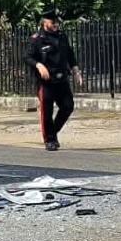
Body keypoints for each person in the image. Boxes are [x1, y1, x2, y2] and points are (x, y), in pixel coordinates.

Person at [23, 10, 83, 151]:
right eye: (53, 22)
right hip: (45, 81)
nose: (56, 24)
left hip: (61, 78)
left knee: (68, 106)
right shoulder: (37, 39)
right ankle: (50, 140)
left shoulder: (62, 36)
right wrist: (38, 65)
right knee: (47, 111)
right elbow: (27, 57)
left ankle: (53, 132)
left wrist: (75, 69)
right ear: (45, 22)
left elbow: (69, 53)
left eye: (57, 22)